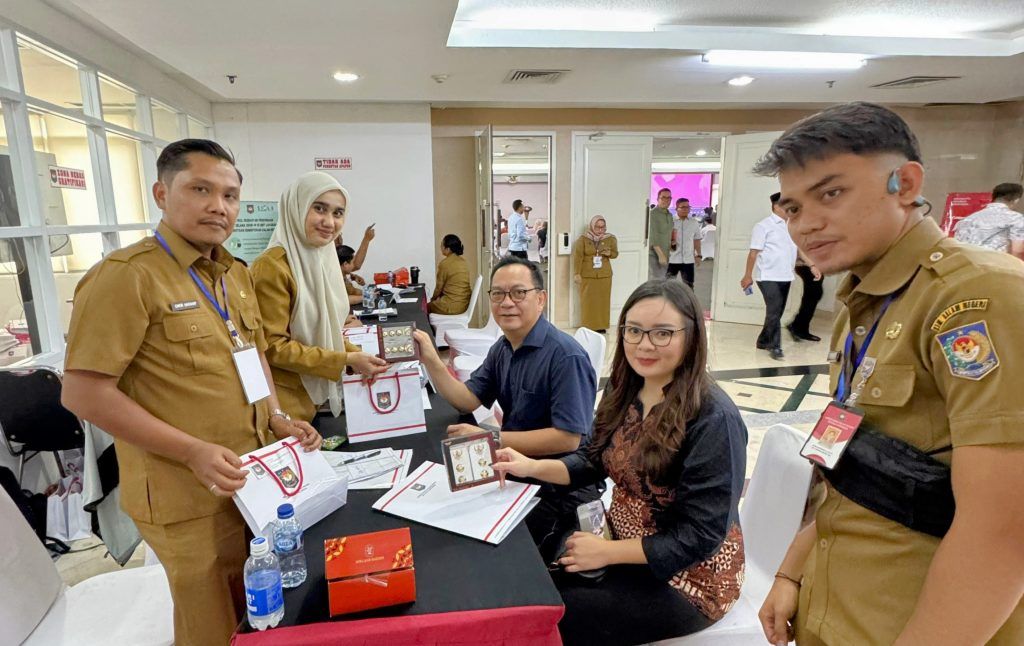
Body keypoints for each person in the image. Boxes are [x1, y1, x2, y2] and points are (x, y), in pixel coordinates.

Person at [755, 102, 1024, 646]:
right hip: (836, 607)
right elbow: (846, 467)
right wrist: (792, 569)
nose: (806, 223)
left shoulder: (978, 296)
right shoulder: (863, 303)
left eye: (831, 194)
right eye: (792, 207)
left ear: (906, 183)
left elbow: (1003, 533)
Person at [60, 140, 324, 646]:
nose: (217, 206)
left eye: (229, 195)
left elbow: (254, 355)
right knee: (212, 622)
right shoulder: (127, 277)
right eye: (199, 189)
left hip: (251, 478)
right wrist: (193, 451)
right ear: (162, 193)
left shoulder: (234, 275)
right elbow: (84, 393)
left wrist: (277, 416)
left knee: (257, 610)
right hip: (187, 489)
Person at [494, 280, 747, 645]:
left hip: (688, 578)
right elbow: (593, 460)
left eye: (662, 333)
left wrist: (607, 553)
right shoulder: (625, 387)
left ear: (692, 336)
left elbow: (701, 536)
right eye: (634, 330)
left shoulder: (713, 418)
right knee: (528, 576)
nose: (644, 344)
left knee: (552, 612)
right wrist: (530, 466)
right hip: (619, 541)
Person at [413, 256, 599, 561]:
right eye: (497, 294)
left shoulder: (565, 357)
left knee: (485, 552)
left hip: (559, 484)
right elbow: (467, 400)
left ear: (540, 299)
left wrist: (491, 437)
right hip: (517, 465)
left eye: (518, 293)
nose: (506, 302)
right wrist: (432, 359)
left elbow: (568, 440)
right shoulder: (503, 348)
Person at [251, 172, 387, 423]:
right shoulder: (273, 266)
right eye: (319, 209)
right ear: (297, 208)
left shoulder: (322, 257)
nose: (329, 221)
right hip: (283, 405)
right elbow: (273, 348)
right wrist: (346, 359)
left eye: (337, 213)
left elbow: (326, 329)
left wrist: (356, 355)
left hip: (311, 395)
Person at [740, 192, 798, 361]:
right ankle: (775, 346)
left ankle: (763, 340)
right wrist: (747, 275)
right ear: (776, 206)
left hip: (786, 275)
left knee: (777, 311)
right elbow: (753, 253)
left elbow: (798, 249)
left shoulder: (792, 225)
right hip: (767, 276)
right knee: (774, 310)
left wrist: (812, 264)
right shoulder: (763, 226)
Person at [953, 182, 1024, 260]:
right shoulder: (1015, 218)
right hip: (995, 266)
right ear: (1016, 200)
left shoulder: (968, 219)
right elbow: (1017, 251)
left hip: (966, 266)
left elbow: (956, 247)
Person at [573, 215, 618, 333]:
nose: (600, 230)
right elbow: (578, 257)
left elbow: (615, 254)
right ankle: (588, 326)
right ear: (592, 226)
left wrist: (609, 253)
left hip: (605, 275)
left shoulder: (611, 238)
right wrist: (577, 273)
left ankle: (601, 326)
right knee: (588, 301)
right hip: (587, 275)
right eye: (598, 227)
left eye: (603, 227)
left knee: (603, 301)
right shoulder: (582, 239)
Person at [429, 233, 472, 315]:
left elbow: (439, 288)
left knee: (426, 308)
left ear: (448, 249)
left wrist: (432, 299)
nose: (440, 247)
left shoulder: (444, 264)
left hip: (451, 305)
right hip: (465, 304)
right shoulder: (463, 262)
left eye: (442, 245)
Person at [667, 197, 703, 289]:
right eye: (683, 207)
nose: (686, 209)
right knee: (668, 286)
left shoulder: (693, 223)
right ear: (676, 209)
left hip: (688, 260)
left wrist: (698, 255)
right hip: (672, 259)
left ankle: (689, 303)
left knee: (689, 286)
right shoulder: (670, 222)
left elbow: (697, 239)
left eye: (688, 207)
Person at [786, 254, 824, 342]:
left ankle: (797, 325)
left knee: (813, 295)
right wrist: (812, 265)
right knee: (813, 295)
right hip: (807, 265)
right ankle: (799, 327)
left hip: (811, 264)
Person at [648, 188, 673, 279]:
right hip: (655, 255)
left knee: (664, 280)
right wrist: (660, 255)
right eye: (663, 197)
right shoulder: (653, 214)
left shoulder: (669, 215)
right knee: (657, 280)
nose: (666, 200)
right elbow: (653, 236)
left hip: (666, 253)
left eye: (669, 198)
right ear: (658, 199)